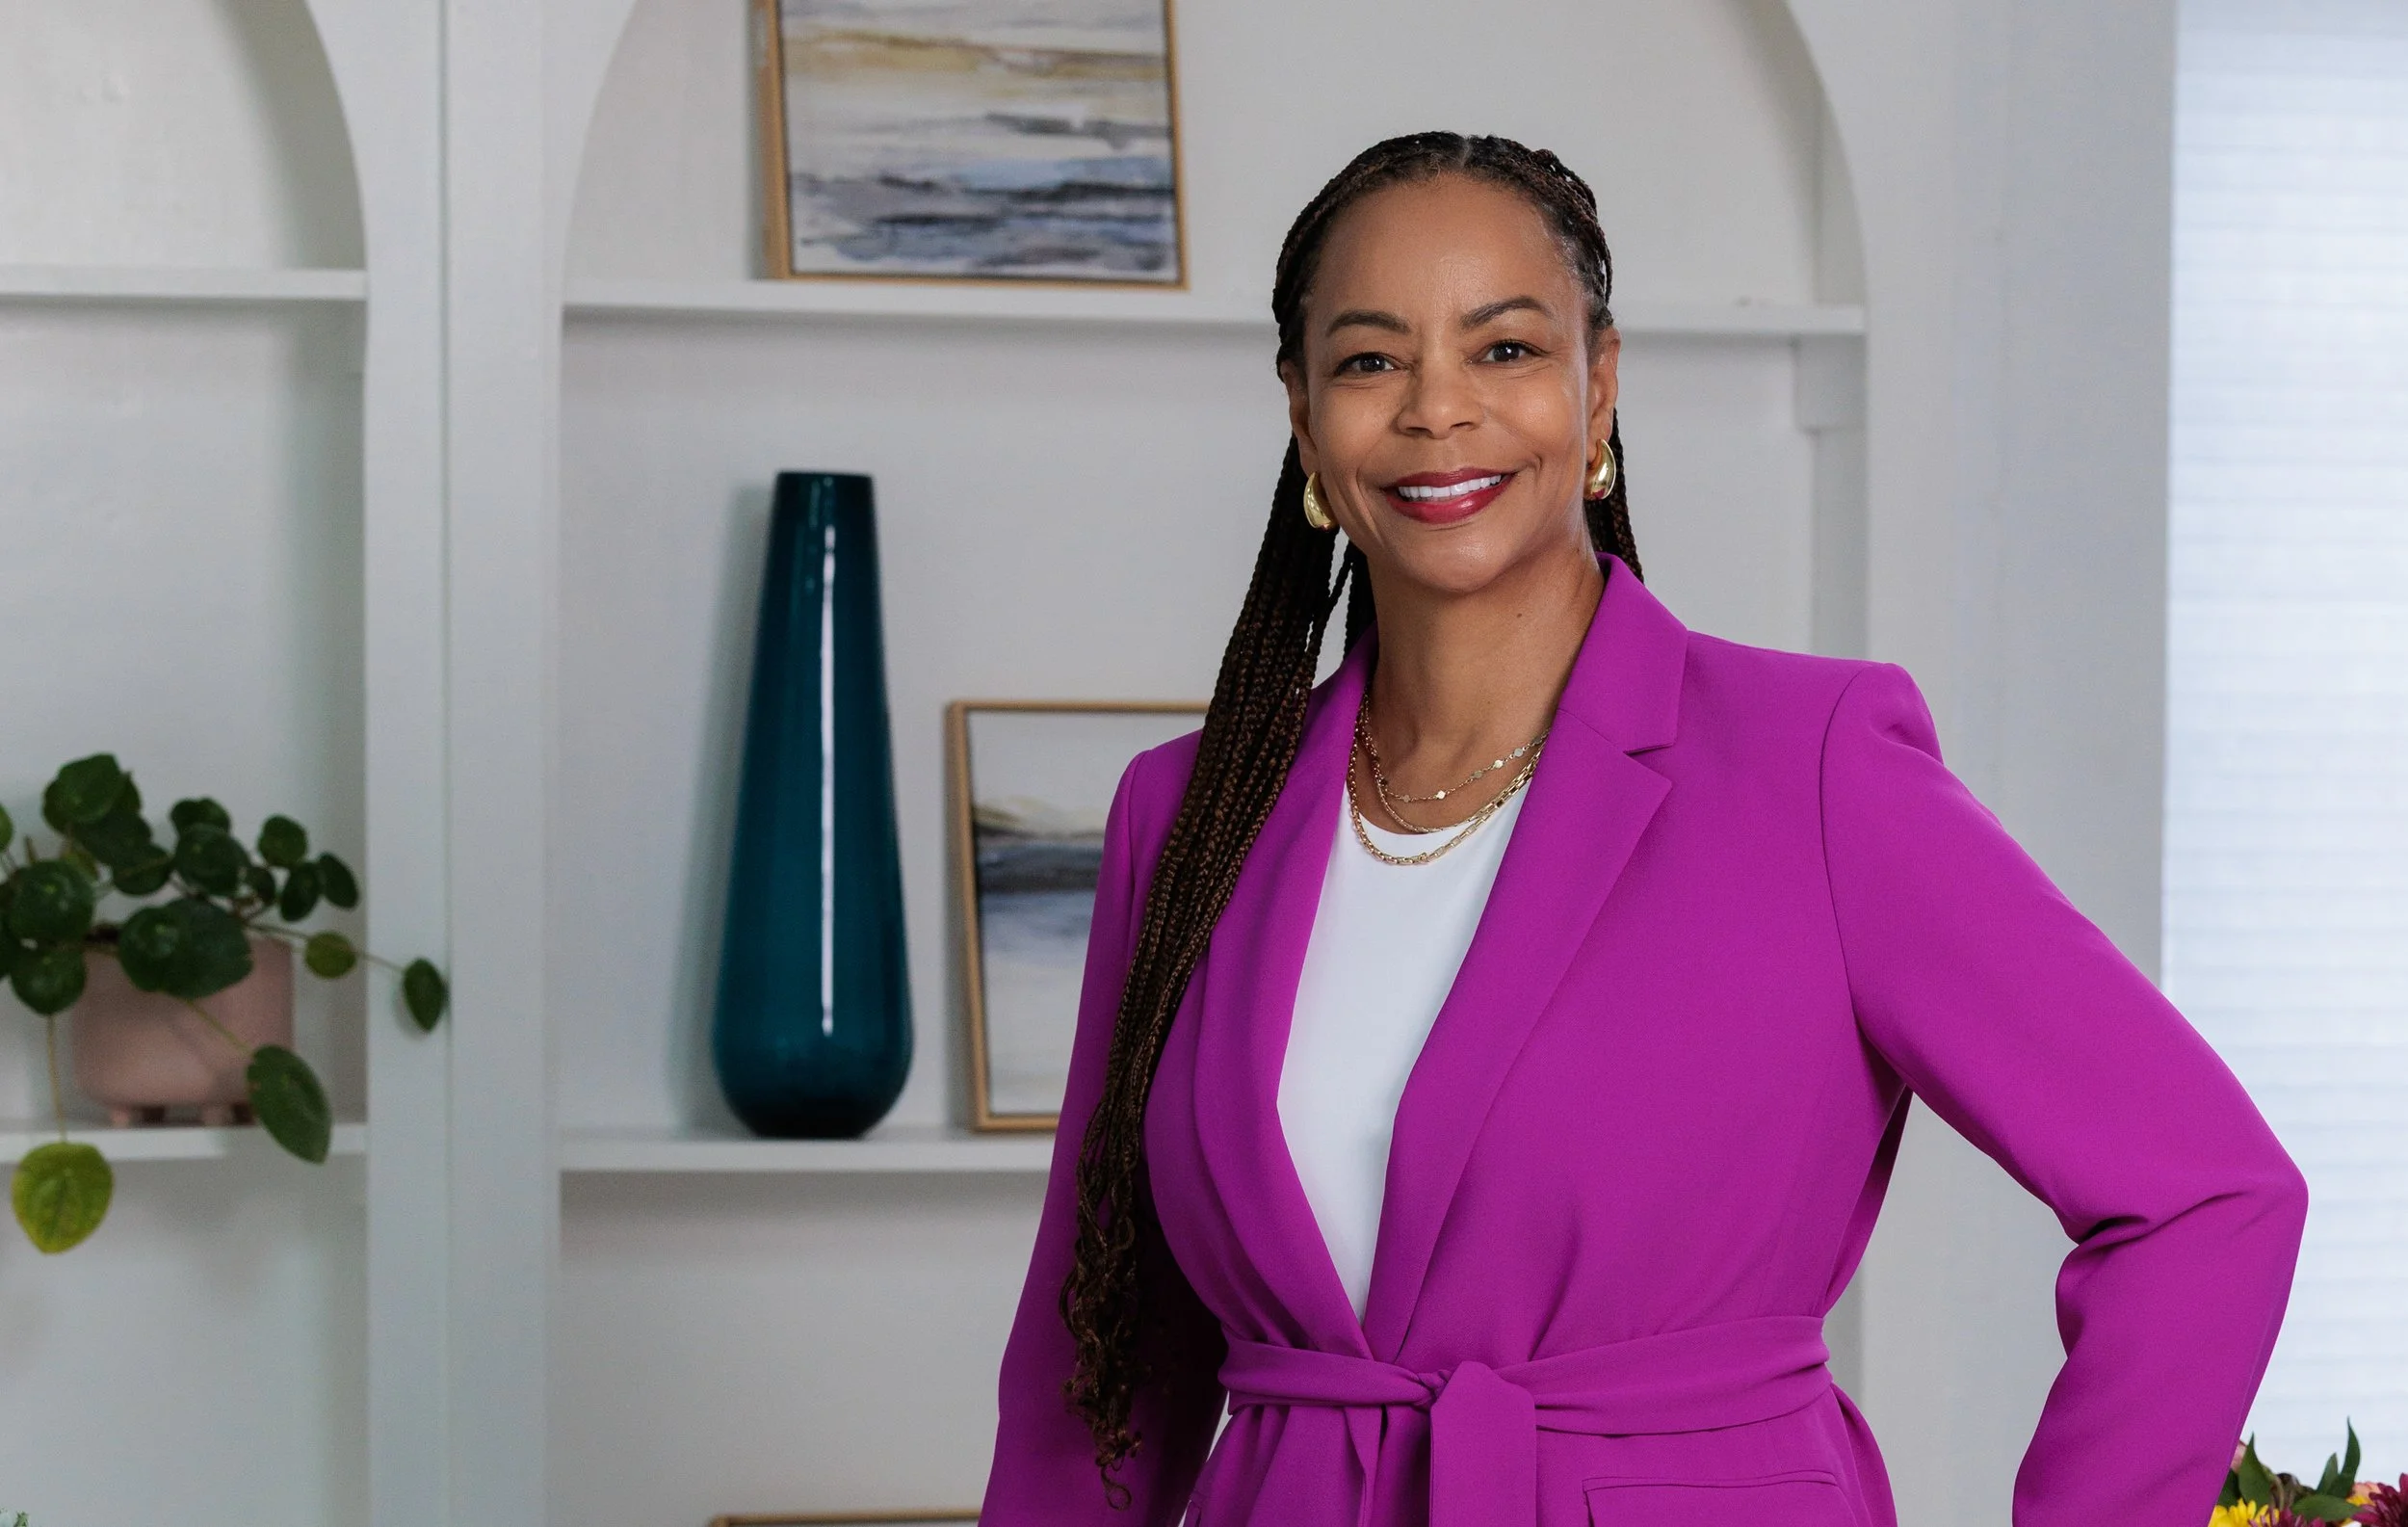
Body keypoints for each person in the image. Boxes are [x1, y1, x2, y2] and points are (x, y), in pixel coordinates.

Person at [977, 132, 2306, 1527]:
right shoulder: (1187, 819)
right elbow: (1102, 1365)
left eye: (1504, 350)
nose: (1439, 409)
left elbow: (2206, 1198)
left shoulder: (1818, 771)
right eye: (1373, 360)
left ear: (1598, 388)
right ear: (1305, 420)